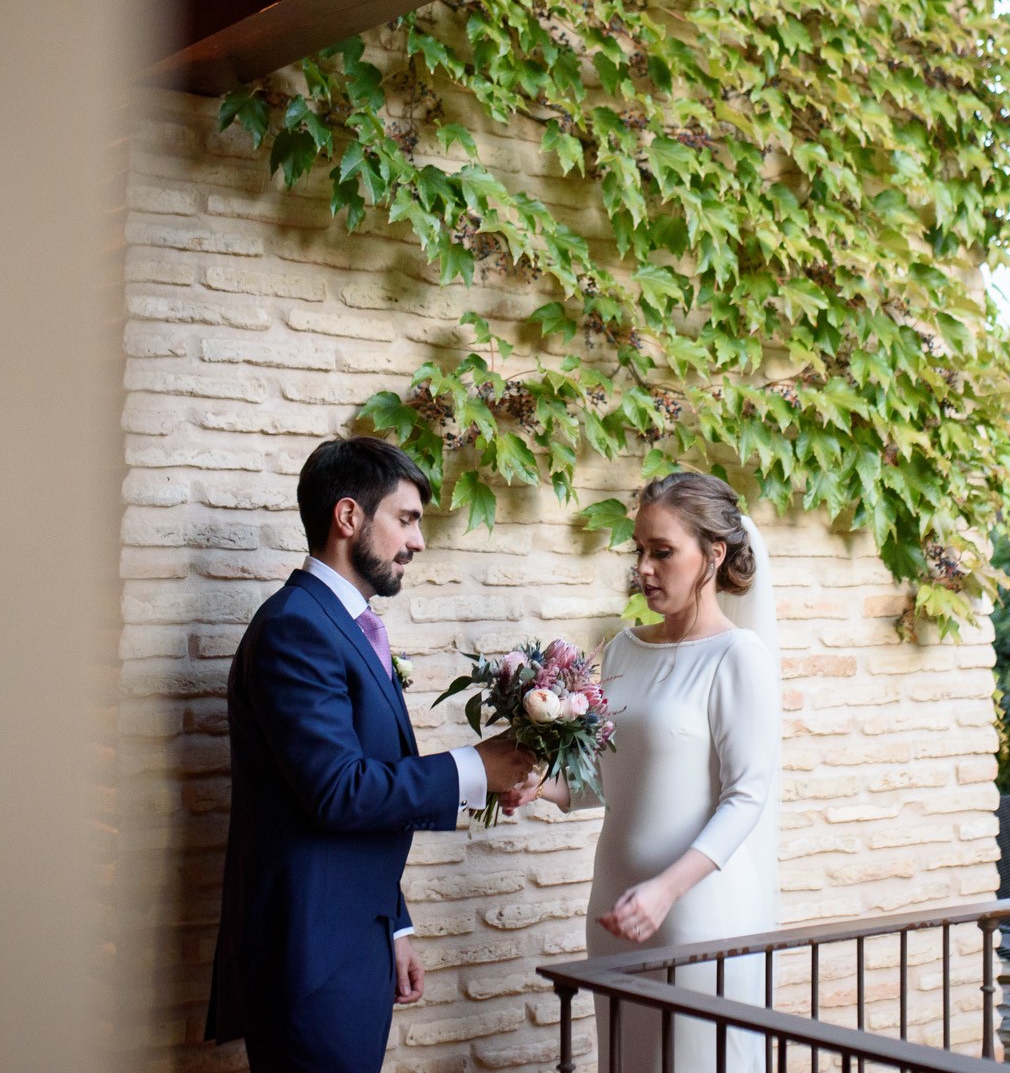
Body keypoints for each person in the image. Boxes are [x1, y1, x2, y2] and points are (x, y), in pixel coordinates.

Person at [205, 436, 537, 1073]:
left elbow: (355, 805)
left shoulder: (344, 625)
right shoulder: (296, 627)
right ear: (349, 517)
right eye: (406, 520)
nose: (417, 542)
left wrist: (395, 925)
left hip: (354, 938)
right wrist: (476, 767)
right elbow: (338, 791)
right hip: (312, 960)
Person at [501, 471, 781, 1072]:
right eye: (639, 550)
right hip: (615, 909)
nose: (645, 569)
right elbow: (607, 776)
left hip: (692, 917)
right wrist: (539, 787)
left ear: (714, 553)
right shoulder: (625, 649)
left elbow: (746, 797)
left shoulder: (738, 657)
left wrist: (665, 891)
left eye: (663, 552)